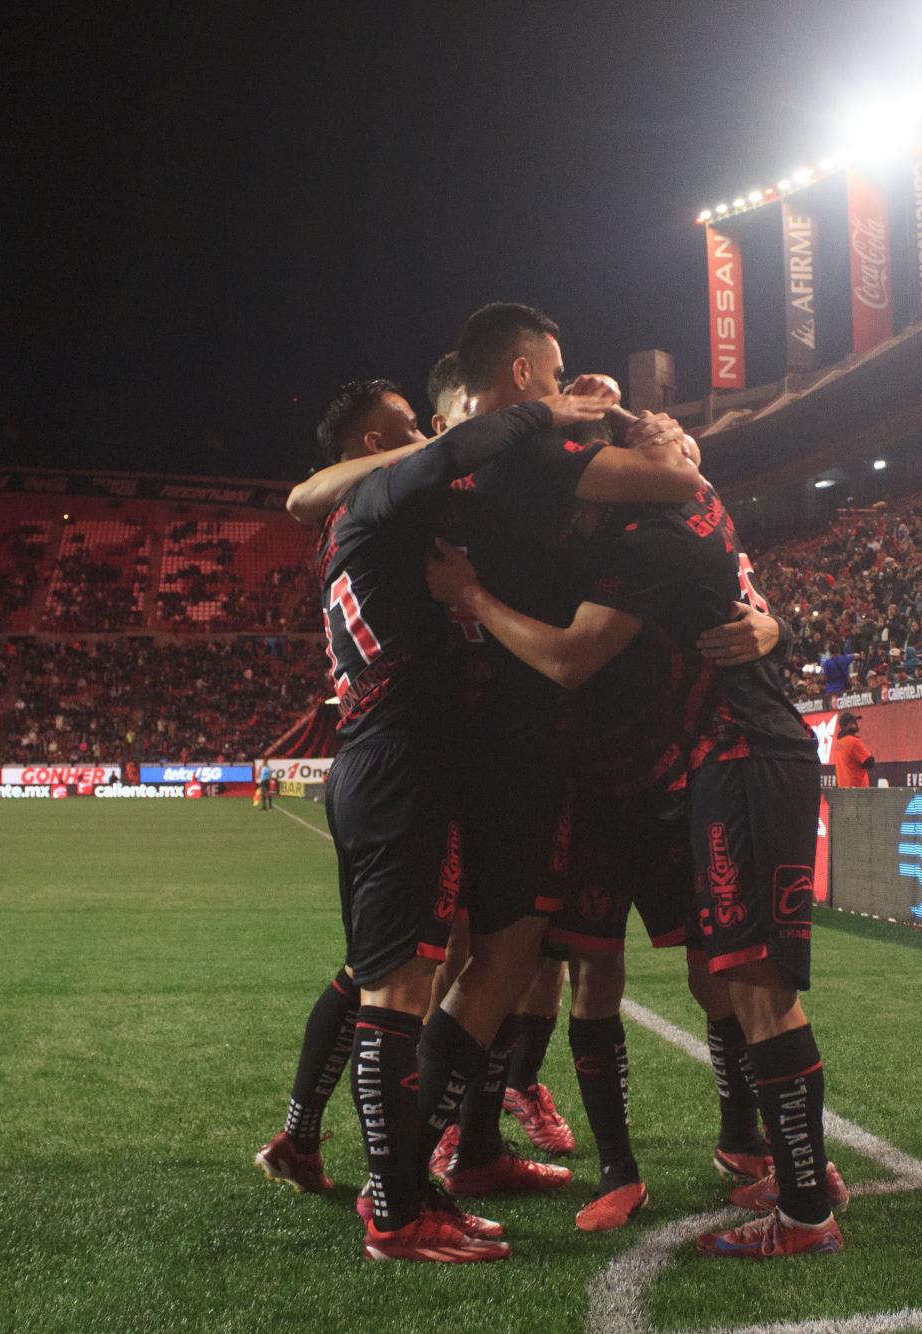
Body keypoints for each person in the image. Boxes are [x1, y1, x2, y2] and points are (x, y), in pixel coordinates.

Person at [426, 468, 848, 1259]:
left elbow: (574, 657)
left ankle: (790, 1185)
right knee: (553, 967)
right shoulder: (636, 531)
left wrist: (776, 628)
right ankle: (563, 1158)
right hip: (605, 783)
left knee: (743, 980)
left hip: (699, 767)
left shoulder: (653, 532)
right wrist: (776, 627)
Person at [260, 377, 615, 1262]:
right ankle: (396, 1212)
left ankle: (354, 1164)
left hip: (392, 762)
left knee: (383, 973)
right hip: (400, 764)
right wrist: (548, 414)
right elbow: (448, 455)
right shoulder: (381, 498)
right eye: (406, 427)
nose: (424, 433)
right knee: (396, 994)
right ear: (376, 442)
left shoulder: (363, 512)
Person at [830, 711, 873, 788]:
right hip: (858, 790)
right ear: (845, 726)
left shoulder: (836, 743)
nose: (856, 724)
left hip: (843, 789)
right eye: (853, 722)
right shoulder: (853, 741)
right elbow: (870, 762)